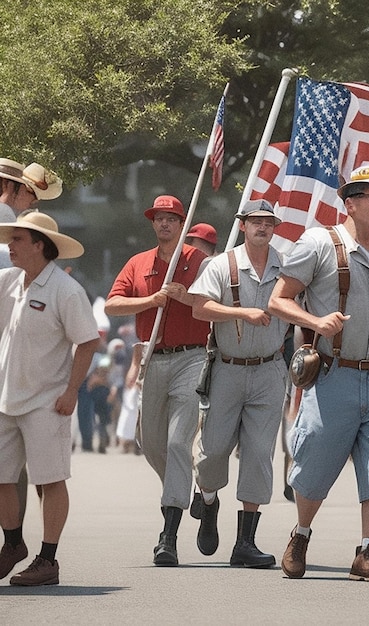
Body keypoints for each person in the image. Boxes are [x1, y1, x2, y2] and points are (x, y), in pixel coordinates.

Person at [268, 165, 369, 581]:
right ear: (350, 202)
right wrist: (316, 324)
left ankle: (367, 552)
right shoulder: (319, 243)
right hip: (333, 373)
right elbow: (278, 300)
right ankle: (301, 534)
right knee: (315, 457)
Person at [104, 195, 210, 566]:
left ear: (182, 223)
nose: (164, 224)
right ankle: (194, 492)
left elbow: (215, 302)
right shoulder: (138, 263)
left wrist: (189, 295)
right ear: (153, 224)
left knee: (179, 442)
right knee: (150, 444)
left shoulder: (199, 261)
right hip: (153, 358)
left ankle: (169, 535)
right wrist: (152, 300)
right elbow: (111, 305)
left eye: (171, 218)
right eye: (159, 218)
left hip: (193, 357)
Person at [0, 211, 99, 586]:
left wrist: (71, 390)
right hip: (5, 397)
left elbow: (88, 341)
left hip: (47, 401)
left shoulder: (66, 290)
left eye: (18, 240)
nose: (9, 245)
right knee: (1, 477)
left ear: (39, 245)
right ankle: (12, 545)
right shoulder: (8, 281)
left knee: (51, 479)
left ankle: (48, 559)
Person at [188, 199, 288, 568]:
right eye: (255, 221)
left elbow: (300, 304)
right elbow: (199, 307)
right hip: (228, 368)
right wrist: (241, 312)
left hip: (270, 369)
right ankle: (209, 501)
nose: (263, 227)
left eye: (268, 222)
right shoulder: (221, 264)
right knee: (212, 451)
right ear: (242, 225)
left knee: (260, 454)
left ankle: (245, 542)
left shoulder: (286, 266)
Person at [0, 159, 63, 526]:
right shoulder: (11, 227)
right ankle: (15, 537)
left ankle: (14, 539)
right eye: (30, 193)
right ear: (13, 187)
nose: (34, 202)